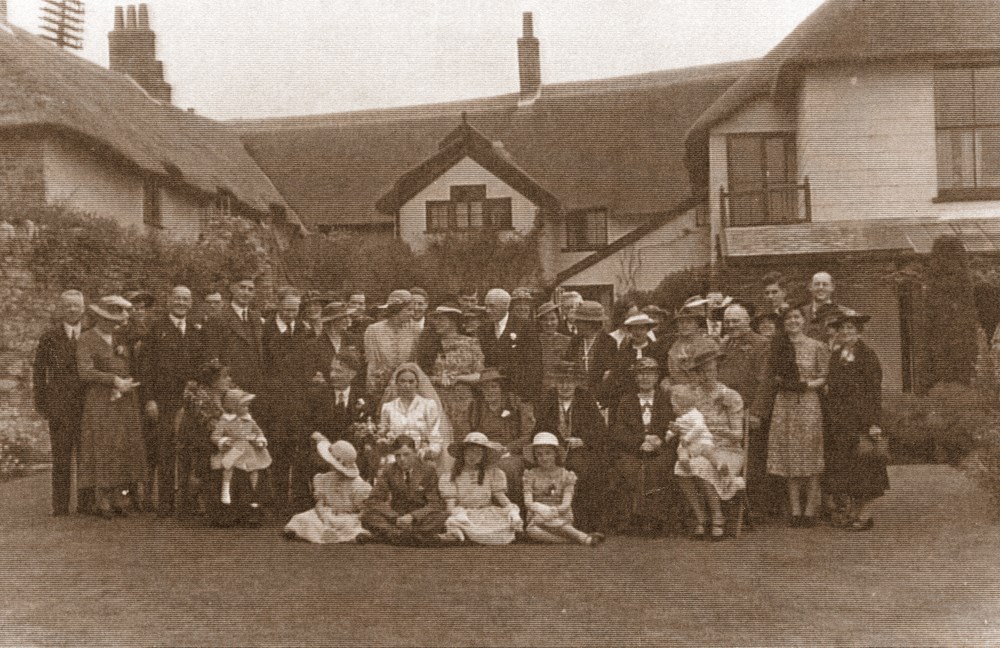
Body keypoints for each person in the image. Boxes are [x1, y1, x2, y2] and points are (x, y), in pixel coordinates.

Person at [76, 296, 147, 518]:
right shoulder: (86, 338)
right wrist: (113, 380)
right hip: (100, 399)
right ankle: (102, 497)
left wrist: (127, 381)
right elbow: (85, 371)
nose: (115, 324)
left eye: (117, 321)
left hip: (124, 398)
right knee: (103, 444)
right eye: (110, 320)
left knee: (122, 444)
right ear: (99, 318)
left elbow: (132, 360)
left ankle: (120, 495)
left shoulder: (119, 338)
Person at [823, 310, 889, 531]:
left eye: (850, 328)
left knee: (866, 468)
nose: (846, 332)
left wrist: (874, 423)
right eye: (843, 328)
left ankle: (865, 515)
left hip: (862, 419)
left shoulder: (867, 355)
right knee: (848, 470)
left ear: (859, 332)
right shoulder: (837, 355)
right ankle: (853, 512)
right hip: (841, 421)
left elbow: (874, 391)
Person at [140, 285, 203, 516]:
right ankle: (165, 503)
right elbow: (146, 369)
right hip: (163, 400)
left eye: (186, 299)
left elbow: (200, 367)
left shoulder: (195, 331)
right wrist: (149, 400)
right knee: (165, 451)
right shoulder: (156, 329)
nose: (181, 303)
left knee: (188, 452)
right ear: (169, 301)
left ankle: (186, 503)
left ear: (191, 303)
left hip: (189, 402)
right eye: (177, 299)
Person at [671, 349, 745, 540]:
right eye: (702, 372)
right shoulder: (692, 396)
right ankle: (701, 517)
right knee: (681, 466)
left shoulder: (730, 395)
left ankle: (717, 517)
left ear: (717, 371)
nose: (706, 376)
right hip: (699, 447)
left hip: (727, 449)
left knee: (700, 465)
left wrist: (719, 431)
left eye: (710, 371)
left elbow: (738, 435)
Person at [767, 304, 829, 527]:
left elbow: (824, 375)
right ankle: (795, 510)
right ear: (783, 324)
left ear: (804, 320)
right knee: (791, 454)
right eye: (788, 318)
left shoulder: (817, 346)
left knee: (811, 452)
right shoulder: (778, 346)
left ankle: (810, 509)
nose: (792, 321)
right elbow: (771, 374)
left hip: (807, 402)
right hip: (785, 403)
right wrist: (783, 383)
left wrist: (806, 385)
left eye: (796, 317)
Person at [717, 302, 780, 521]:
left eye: (736, 321)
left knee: (753, 459)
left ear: (748, 321)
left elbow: (766, 380)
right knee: (730, 456)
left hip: (748, 409)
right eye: (727, 322)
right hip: (726, 410)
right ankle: (732, 504)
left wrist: (757, 412)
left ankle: (754, 508)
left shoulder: (761, 344)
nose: (731, 325)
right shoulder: (725, 343)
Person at [606, 357, 679, 535]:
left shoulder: (666, 400)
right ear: (635, 377)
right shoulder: (626, 401)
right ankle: (632, 518)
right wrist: (641, 441)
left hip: (661, 449)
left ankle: (655, 519)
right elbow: (619, 431)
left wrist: (660, 441)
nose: (645, 378)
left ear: (656, 377)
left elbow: (675, 426)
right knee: (629, 467)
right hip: (633, 450)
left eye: (650, 373)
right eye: (641, 374)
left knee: (658, 467)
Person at [533, 361, 607, 531]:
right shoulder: (548, 399)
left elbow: (600, 429)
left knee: (580, 467)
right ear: (555, 383)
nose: (565, 386)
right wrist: (552, 444)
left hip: (581, 449)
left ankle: (581, 521)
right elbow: (539, 428)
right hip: (552, 451)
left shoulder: (585, 398)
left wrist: (583, 440)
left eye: (569, 381)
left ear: (576, 383)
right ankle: (550, 520)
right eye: (561, 382)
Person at [32, 289, 87, 516]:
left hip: (86, 406)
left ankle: (86, 504)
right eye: (68, 305)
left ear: (83, 308)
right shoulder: (49, 337)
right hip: (59, 407)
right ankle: (61, 506)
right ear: (61, 309)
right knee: (61, 456)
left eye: (76, 305)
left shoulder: (91, 335)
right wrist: (42, 404)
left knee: (86, 456)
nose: (72, 309)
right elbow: (39, 372)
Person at [261, 290, 313, 511]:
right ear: (278, 305)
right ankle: (277, 500)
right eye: (287, 309)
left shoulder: (303, 329)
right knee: (277, 449)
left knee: (298, 449)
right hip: (273, 399)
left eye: (295, 309)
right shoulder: (265, 330)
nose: (291, 314)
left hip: (298, 399)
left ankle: (299, 499)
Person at [361, 435, 448, 546]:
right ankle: (413, 536)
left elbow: (435, 503)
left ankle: (388, 536)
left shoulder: (428, 470)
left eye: (406, 454)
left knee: (441, 516)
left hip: (419, 518)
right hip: (396, 517)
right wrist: (395, 517)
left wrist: (413, 516)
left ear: (415, 453)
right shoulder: (389, 470)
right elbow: (374, 500)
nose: (402, 459)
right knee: (367, 516)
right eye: (397, 455)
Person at [284, 435, 373, 543]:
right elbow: (320, 503)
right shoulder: (325, 478)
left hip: (346, 516)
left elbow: (363, 510)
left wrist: (354, 518)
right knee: (302, 518)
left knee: (347, 524)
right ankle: (302, 531)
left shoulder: (357, 484)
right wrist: (323, 516)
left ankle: (355, 535)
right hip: (325, 513)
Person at [438, 432, 522, 545]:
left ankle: (471, 536)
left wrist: (512, 511)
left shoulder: (491, 473)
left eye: (478, 453)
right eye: (470, 451)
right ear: (463, 452)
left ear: (483, 456)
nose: (473, 456)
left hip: (486, 512)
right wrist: (455, 513)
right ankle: (463, 532)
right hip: (464, 514)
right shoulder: (451, 476)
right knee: (454, 521)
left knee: (504, 525)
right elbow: (450, 505)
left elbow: (501, 497)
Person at [522, 432, 605, 546]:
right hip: (538, 516)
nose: (544, 458)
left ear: (555, 454)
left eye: (548, 453)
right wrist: (542, 510)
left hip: (560, 515)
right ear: (535, 456)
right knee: (531, 530)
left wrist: (553, 512)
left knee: (549, 522)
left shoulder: (566, 475)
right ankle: (576, 539)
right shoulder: (530, 475)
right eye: (539, 454)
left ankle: (580, 537)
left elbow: (566, 503)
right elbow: (528, 502)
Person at [307, 350, 377, 480]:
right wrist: (316, 435)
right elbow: (305, 424)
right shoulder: (317, 396)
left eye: (338, 371)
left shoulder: (364, 399)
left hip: (352, 461)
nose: (332, 375)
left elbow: (369, 430)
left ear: (352, 374)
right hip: (321, 458)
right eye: (332, 370)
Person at [470, 368, 533, 507]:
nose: (489, 391)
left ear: (501, 388)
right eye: (485, 388)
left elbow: (529, 435)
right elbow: (470, 433)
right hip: (484, 452)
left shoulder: (515, 405)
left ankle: (514, 510)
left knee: (506, 468)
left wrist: (507, 448)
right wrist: (485, 445)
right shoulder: (477, 408)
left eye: (493, 387)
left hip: (513, 453)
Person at [177, 360, 232, 516]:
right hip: (202, 444)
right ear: (213, 382)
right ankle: (193, 499)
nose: (229, 380)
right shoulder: (202, 400)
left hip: (217, 442)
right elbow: (210, 426)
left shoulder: (225, 397)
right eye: (224, 377)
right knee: (203, 467)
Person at [378, 363, 450, 474]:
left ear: (417, 384)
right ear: (396, 384)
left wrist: (427, 452)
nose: (407, 386)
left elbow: (435, 437)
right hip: (395, 458)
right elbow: (383, 435)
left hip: (421, 457)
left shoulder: (428, 405)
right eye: (402, 381)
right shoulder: (388, 408)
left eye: (411, 382)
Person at [429, 304, 484, 440]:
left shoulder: (471, 343)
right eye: (436, 319)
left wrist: (459, 378)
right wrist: (437, 379)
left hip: (464, 403)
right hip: (436, 399)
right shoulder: (429, 345)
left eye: (441, 319)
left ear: (453, 321)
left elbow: (480, 375)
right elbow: (418, 375)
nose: (437, 323)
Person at [202, 274, 265, 396]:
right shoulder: (217, 318)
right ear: (232, 288)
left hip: (257, 386)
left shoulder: (256, 318)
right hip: (231, 388)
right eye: (242, 287)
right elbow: (211, 357)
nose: (246, 292)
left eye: (250, 289)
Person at [479, 288, 543, 406]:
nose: (487, 311)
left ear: (505, 306)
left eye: (492, 306)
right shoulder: (484, 329)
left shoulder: (525, 327)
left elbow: (534, 363)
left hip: (519, 393)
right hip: (493, 395)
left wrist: (527, 395)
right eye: (486, 306)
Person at [211, 389, 271, 509]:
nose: (247, 409)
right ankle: (225, 491)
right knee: (228, 466)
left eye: (247, 406)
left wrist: (259, 440)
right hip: (233, 448)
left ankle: (253, 494)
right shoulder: (225, 421)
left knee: (254, 469)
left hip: (248, 449)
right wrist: (224, 441)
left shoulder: (249, 420)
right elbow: (215, 436)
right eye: (243, 406)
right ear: (233, 407)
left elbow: (258, 432)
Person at [365, 289, 419, 399]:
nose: (412, 314)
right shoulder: (374, 330)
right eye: (409, 310)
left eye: (413, 310)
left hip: (406, 387)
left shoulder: (414, 329)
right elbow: (372, 363)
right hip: (381, 387)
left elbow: (415, 361)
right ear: (396, 310)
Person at [562, 301, 618, 405]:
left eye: (579, 322)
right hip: (576, 398)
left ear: (591, 323)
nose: (576, 325)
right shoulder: (575, 341)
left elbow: (610, 374)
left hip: (600, 398)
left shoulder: (608, 342)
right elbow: (567, 367)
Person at [667, 302, 720, 386]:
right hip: (682, 389)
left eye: (689, 322)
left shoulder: (710, 344)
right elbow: (674, 374)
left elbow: (715, 372)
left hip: (707, 388)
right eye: (681, 322)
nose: (684, 325)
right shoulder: (674, 347)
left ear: (697, 324)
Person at [535, 301, 570, 389]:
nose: (549, 323)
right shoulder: (534, 341)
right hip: (539, 387)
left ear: (558, 320)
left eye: (553, 319)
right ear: (540, 322)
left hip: (561, 387)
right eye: (545, 320)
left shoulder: (568, 341)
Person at [801, 271, 838, 342]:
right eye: (817, 284)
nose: (821, 287)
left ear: (832, 287)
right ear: (810, 287)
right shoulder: (800, 313)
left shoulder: (844, 313)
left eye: (825, 284)